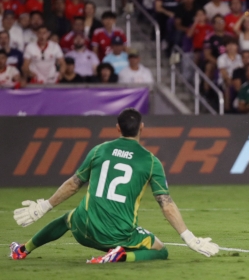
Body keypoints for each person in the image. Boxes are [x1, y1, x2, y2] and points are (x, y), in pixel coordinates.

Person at [10, 108, 220, 263]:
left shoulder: (99, 150)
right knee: (161, 250)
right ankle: (121, 256)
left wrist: (44, 206)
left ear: (117, 128)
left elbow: (74, 184)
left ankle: (23, 249)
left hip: (84, 229)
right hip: (117, 236)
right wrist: (189, 237)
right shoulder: (151, 161)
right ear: (142, 128)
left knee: (68, 217)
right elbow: (166, 204)